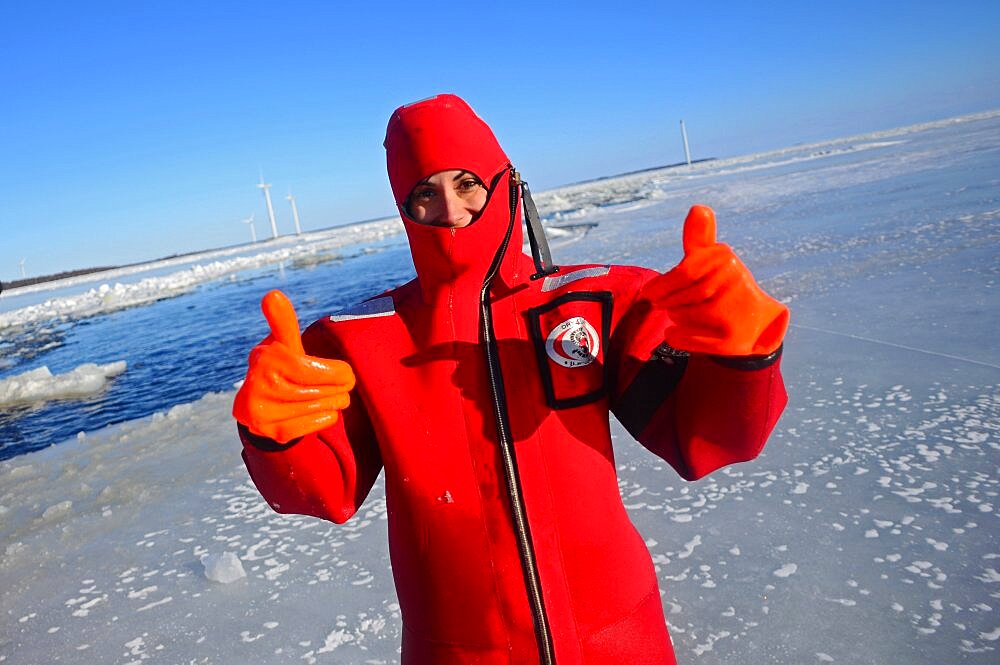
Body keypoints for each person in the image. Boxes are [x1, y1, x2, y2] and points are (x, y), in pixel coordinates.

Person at [233, 94, 789, 664]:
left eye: (468, 182)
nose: (449, 209)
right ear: (404, 207)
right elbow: (323, 490)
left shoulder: (598, 301)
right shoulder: (358, 341)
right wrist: (277, 436)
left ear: (507, 182)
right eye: (425, 192)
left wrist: (739, 358)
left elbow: (710, 438)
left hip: (621, 639)